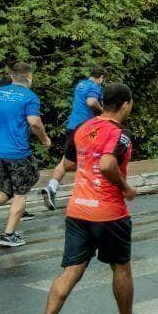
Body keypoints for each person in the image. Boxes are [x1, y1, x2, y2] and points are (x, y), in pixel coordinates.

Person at [28, 83, 153, 314]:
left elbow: (69, 163)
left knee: (70, 272)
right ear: (125, 105)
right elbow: (109, 164)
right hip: (110, 213)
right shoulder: (120, 135)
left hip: (78, 210)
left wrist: (88, 158)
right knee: (120, 267)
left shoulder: (83, 129)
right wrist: (126, 188)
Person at [0, 62, 51, 248]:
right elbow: (35, 122)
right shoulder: (29, 97)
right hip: (18, 152)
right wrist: (45, 140)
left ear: (12, 76)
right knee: (20, 193)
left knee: (5, 189)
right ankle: (9, 234)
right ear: (29, 77)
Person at [40, 66, 105, 210]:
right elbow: (91, 102)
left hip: (72, 126)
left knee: (65, 160)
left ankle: (51, 187)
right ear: (101, 78)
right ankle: (88, 194)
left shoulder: (80, 85)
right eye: (102, 80)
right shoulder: (95, 86)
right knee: (91, 159)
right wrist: (103, 113)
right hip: (86, 128)